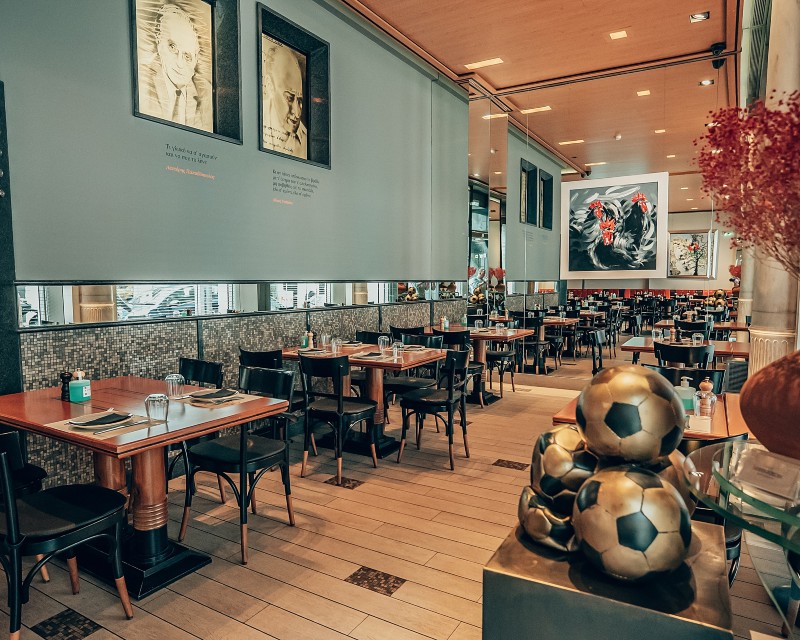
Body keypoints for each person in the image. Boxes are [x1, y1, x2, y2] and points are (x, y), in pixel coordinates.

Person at [138, 3, 213, 132]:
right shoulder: (142, 78)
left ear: (196, 58)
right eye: (172, 47)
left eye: (187, 56)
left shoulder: (206, 92)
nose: (179, 63)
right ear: (159, 42)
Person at [262, 39, 307, 158]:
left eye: (300, 100)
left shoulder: (307, 141)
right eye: (289, 98)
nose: (297, 113)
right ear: (270, 86)